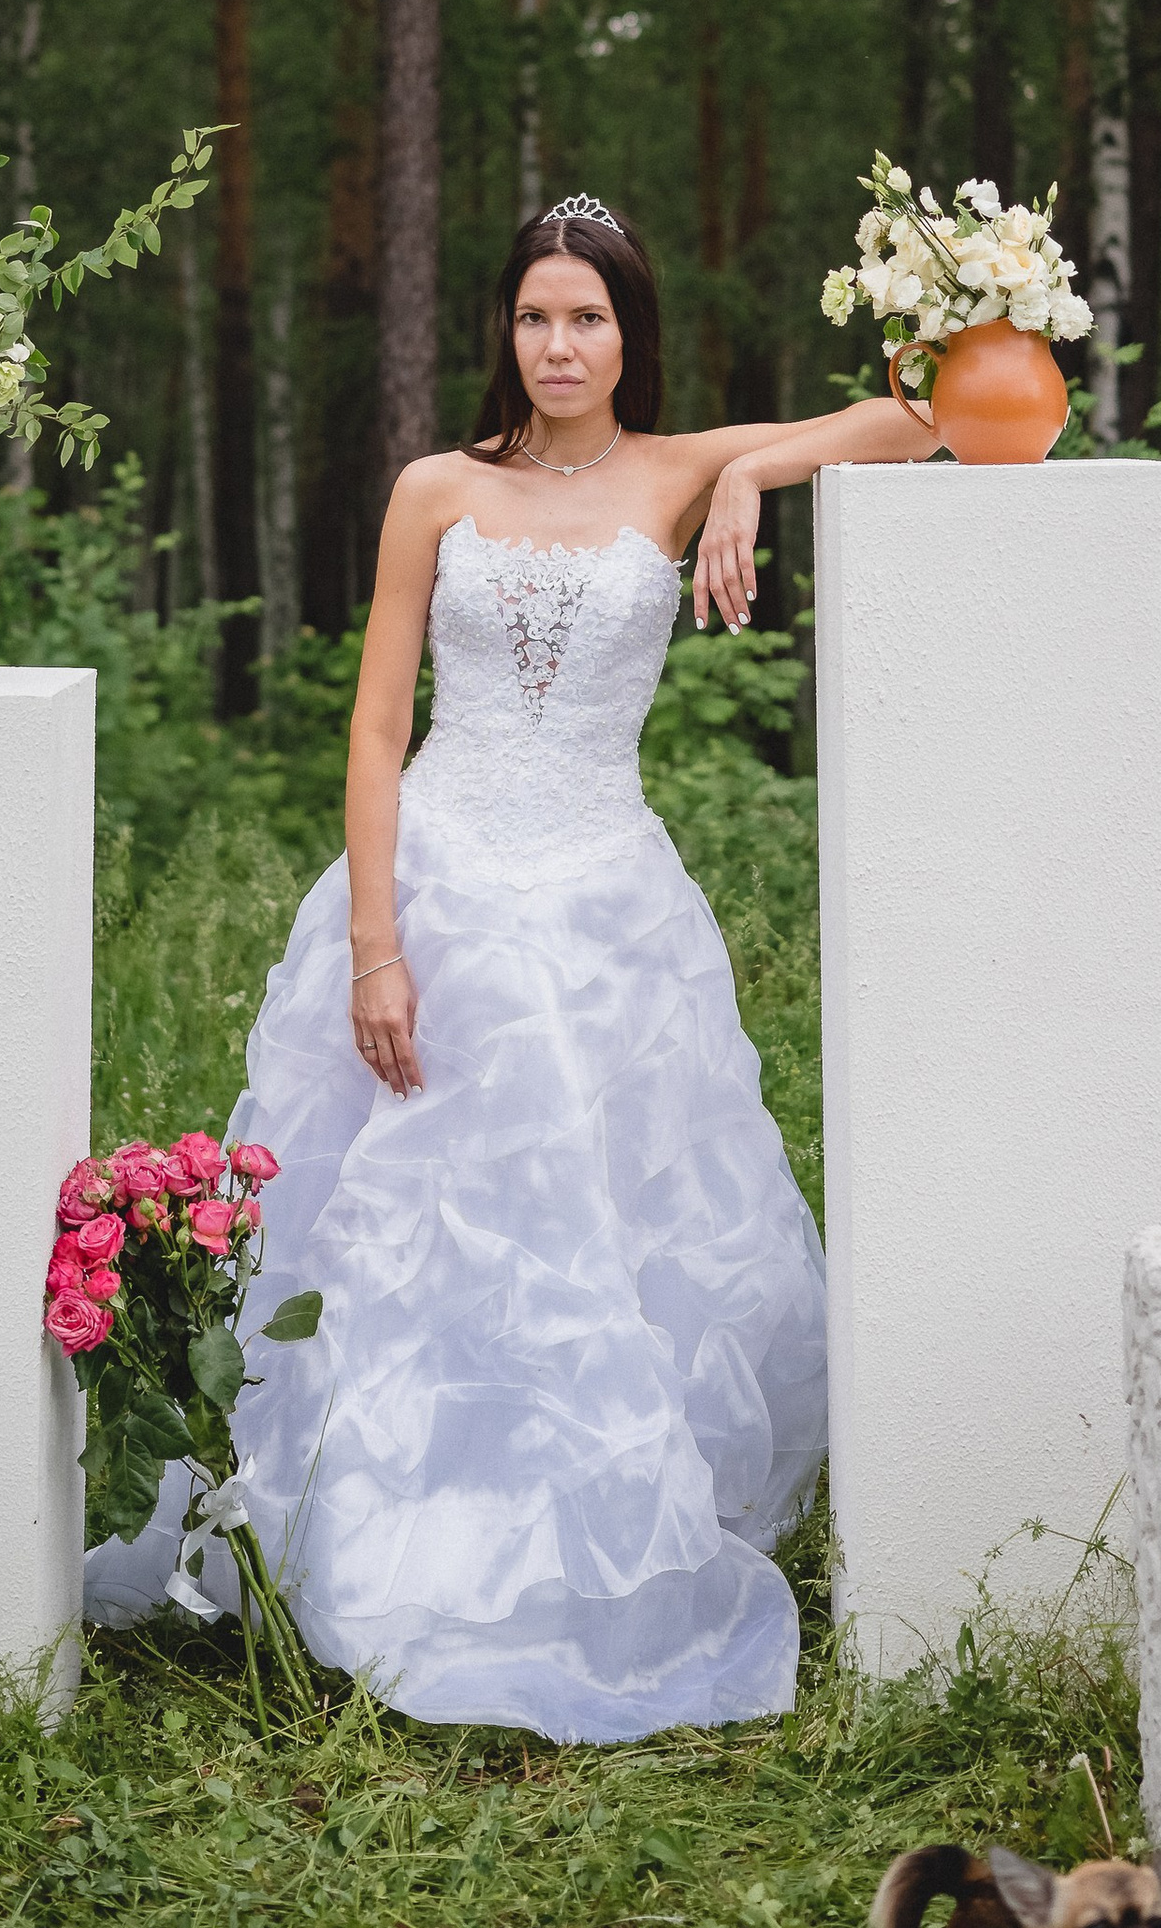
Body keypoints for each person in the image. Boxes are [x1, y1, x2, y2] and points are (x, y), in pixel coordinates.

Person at [84, 193, 934, 1740]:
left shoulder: (675, 470)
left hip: (609, 906)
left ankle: (587, 1550)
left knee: (599, 1237)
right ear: (507, 329)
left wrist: (750, 470)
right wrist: (376, 944)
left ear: (628, 333)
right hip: (443, 886)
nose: (559, 343)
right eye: (536, 315)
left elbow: (918, 419)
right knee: (408, 1235)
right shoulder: (436, 488)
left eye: (587, 317)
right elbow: (375, 728)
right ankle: (388, 1534)